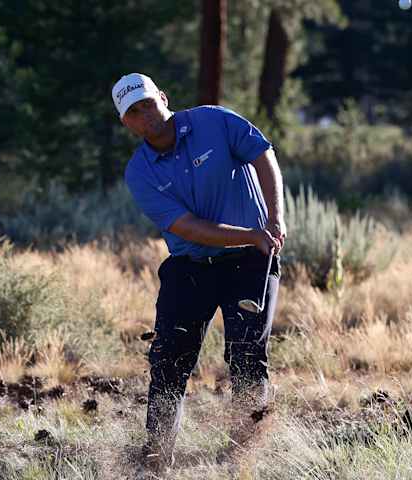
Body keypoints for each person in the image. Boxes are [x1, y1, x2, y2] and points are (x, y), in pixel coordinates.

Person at [111, 73, 286, 474]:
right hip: (190, 268)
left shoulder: (215, 120)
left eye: (147, 104)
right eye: (133, 113)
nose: (145, 116)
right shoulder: (139, 173)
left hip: (251, 261)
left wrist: (275, 220)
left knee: (247, 357)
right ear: (126, 123)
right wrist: (251, 234)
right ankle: (157, 462)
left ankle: (243, 461)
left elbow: (263, 155)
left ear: (163, 97)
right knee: (168, 362)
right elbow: (187, 226)